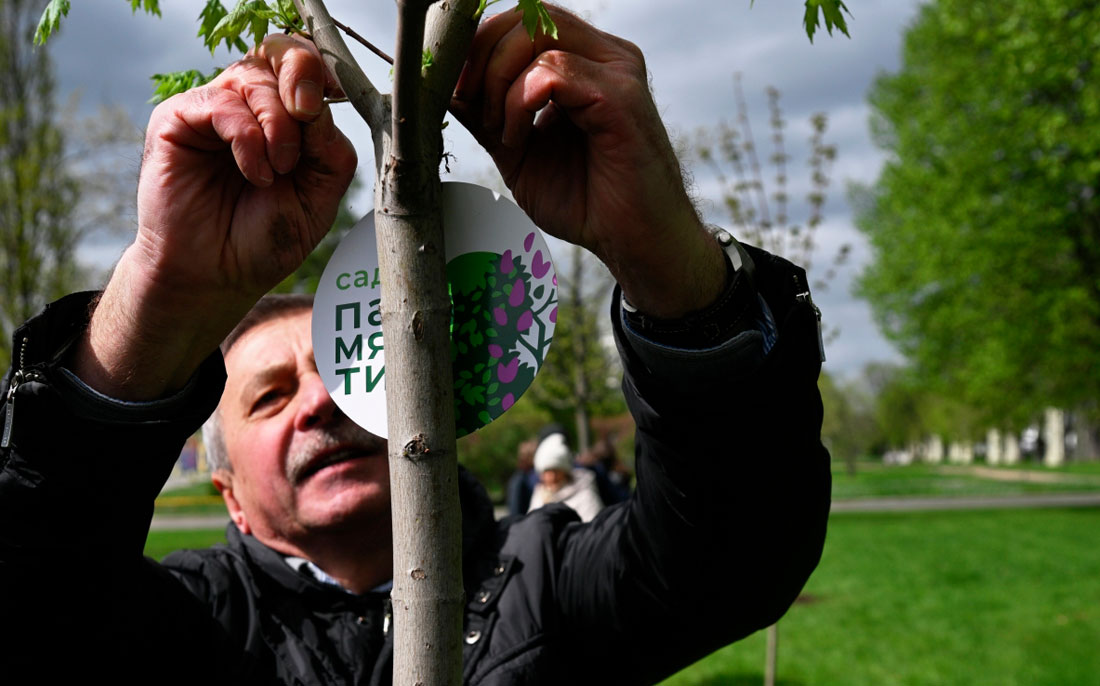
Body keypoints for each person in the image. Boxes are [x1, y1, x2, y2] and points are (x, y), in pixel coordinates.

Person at [0, 5, 830, 683]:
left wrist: (664, 260)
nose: (321, 400)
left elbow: (737, 552)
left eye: (345, 361)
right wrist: (163, 290)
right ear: (226, 491)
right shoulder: (180, 625)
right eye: (270, 395)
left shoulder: (544, 586)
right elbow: (32, 595)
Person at [527, 431, 603, 522]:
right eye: (547, 472)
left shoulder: (585, 494)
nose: (552, 477)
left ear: (565, 472)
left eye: (556, 471)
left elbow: (592, 528)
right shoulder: (539, 495)